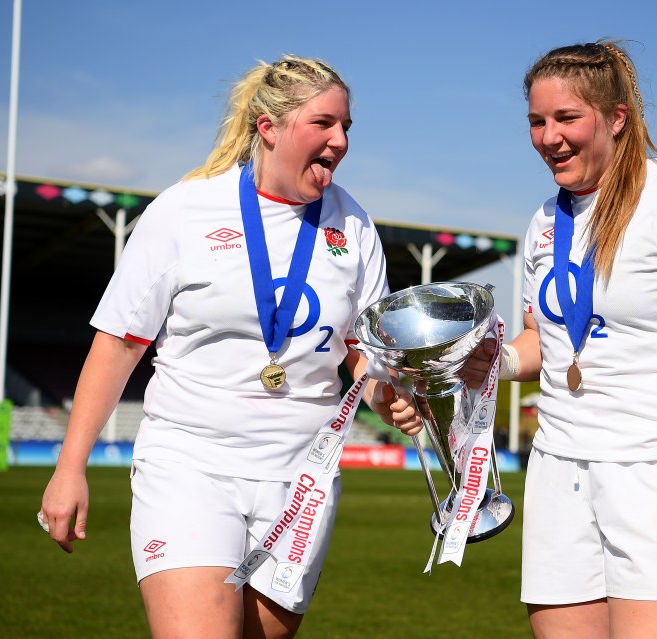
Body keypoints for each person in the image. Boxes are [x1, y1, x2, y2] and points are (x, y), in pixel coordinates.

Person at [406, 40, 657, 638]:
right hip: (560, 470)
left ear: (616, 118)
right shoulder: (545, 220)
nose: (548, 137)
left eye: (566, 118)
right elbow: (549, 344)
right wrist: (491, 361)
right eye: (537, 121)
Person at [38, 55, 419, 639]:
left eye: (346, 127)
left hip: (302, 480)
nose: (340, 141)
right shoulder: (183, 212)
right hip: (191, 463)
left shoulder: (355, 225)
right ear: (268, 127)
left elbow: (363, 355)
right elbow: (118, 344)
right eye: (323, 124)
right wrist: (70, 468)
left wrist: (389, 392)